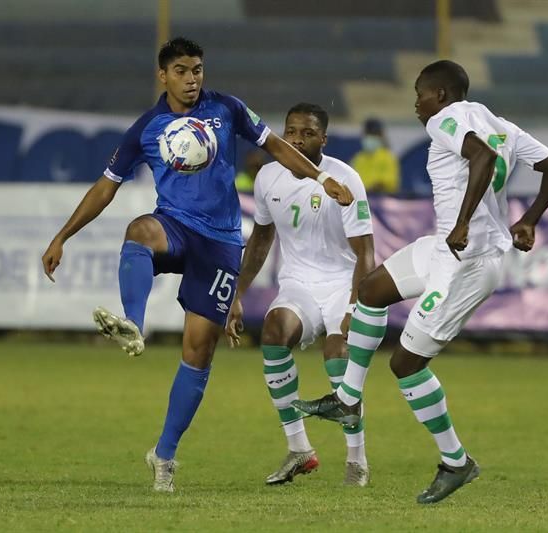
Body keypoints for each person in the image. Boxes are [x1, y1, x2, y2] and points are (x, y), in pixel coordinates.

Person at [40, 37, 353, 493]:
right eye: (183, 71)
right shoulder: (147, 128)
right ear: (162, 75)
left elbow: (278, 148)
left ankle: (163, 456)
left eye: (198, 70)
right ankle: (133, 323)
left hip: (222, 244)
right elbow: (105, 186)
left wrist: (322, 177)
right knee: (140, 230)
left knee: (198, 351)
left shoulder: (227, 109)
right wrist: (63, 235)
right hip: (175, 225)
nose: (192, 79)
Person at [293, 60, 548, 504]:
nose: (415, 104)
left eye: (419, 94)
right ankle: (347, 398)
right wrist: (528, 221)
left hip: (467, 261)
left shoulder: (445, 118)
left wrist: (463, 222)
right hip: (443, 248)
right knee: (371, 290)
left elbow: (483, 156)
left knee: (405, 364)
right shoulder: (501, 123)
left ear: (439, 95)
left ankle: (456, 462)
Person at [225, 103, 375, 487]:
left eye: (307, 132)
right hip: (298, 284)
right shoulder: (267, 178)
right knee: (274, 331)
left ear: (323, 139)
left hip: (343, 282)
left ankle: (356, 458)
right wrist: (237, 293)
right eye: (290, 131)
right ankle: (299, 449)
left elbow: (365, 254)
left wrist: (355, 306)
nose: (296, 139)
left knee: (337, 355)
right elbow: (261, 239)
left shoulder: (345, 179)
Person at [350, 117, 400, 194]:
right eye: (368, 134)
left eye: (374, 134)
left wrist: (373, 188)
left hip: (381, 200)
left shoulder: (388, 157)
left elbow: (390, 184)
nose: (370, 137)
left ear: (381, 136)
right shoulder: (358, 158)